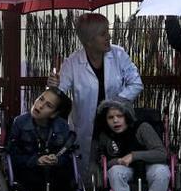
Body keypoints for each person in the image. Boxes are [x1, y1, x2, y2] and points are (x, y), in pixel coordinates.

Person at [47, 13, 143, 177]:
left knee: (115, 172)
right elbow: (58, 94)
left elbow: (136, 84)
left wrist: (114, 104)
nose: (109, 37)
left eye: (107, 32)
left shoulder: (119, 55)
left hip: (115, 123)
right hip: (86, 129)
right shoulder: (73, 62)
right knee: (87, 175)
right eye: (103, 34)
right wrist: (53, 86)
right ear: (89, 40)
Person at [6, 87, 79, 191]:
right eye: (40, 99)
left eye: (48, 105)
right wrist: (36, 160)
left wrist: (57, 159)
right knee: (33, 180)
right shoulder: (19, 123)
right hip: (29, 172)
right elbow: (12, 155)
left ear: (53, 114)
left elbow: (67, 155)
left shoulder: (62, 126)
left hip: (53, 175)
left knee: (68, 178)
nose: (40, 105)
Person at [92, 99, 170, 191]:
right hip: (125, 169)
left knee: (162, 171)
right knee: (114, 171)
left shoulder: (142, 128)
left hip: (149, 166)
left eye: (119, 116)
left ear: (127, 116)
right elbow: (104, 162)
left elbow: (161, 154)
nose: (115, 120)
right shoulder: (106, 135)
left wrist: (134, 156)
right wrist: (118, 161)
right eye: (110, 117)